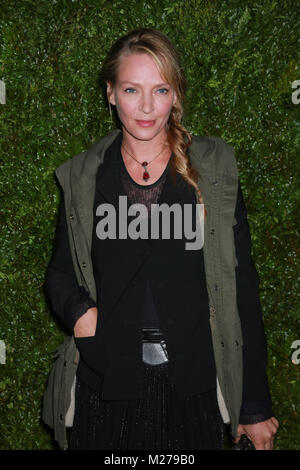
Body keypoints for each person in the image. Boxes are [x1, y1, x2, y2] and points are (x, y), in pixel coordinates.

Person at [43, 28, 279, 450]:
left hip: (194, 386)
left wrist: (255, 405)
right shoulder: (83, 176)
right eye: (132, 89)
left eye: (161, 89)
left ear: (176, 94)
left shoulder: (214, 171)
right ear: (111, 94)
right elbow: (61, 271)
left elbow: (243, 286)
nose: (147, 107)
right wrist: (80, 311)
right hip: (107, 385)